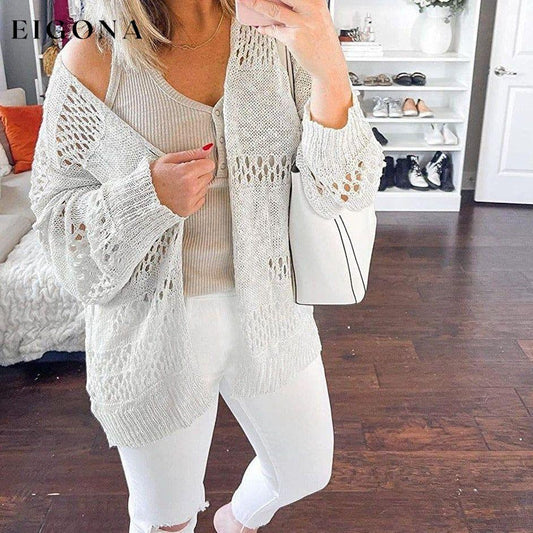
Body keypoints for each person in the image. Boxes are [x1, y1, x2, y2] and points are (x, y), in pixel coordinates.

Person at [29, 0, 384, 531]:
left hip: (273, 311)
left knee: (304, 471)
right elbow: (56, 222)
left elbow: (344, 192)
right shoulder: (97, 49)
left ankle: (235, 522)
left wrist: (329, 67)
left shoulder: (275, 34)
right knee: (165, 518)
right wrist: (147, 197)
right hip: (152, 334)